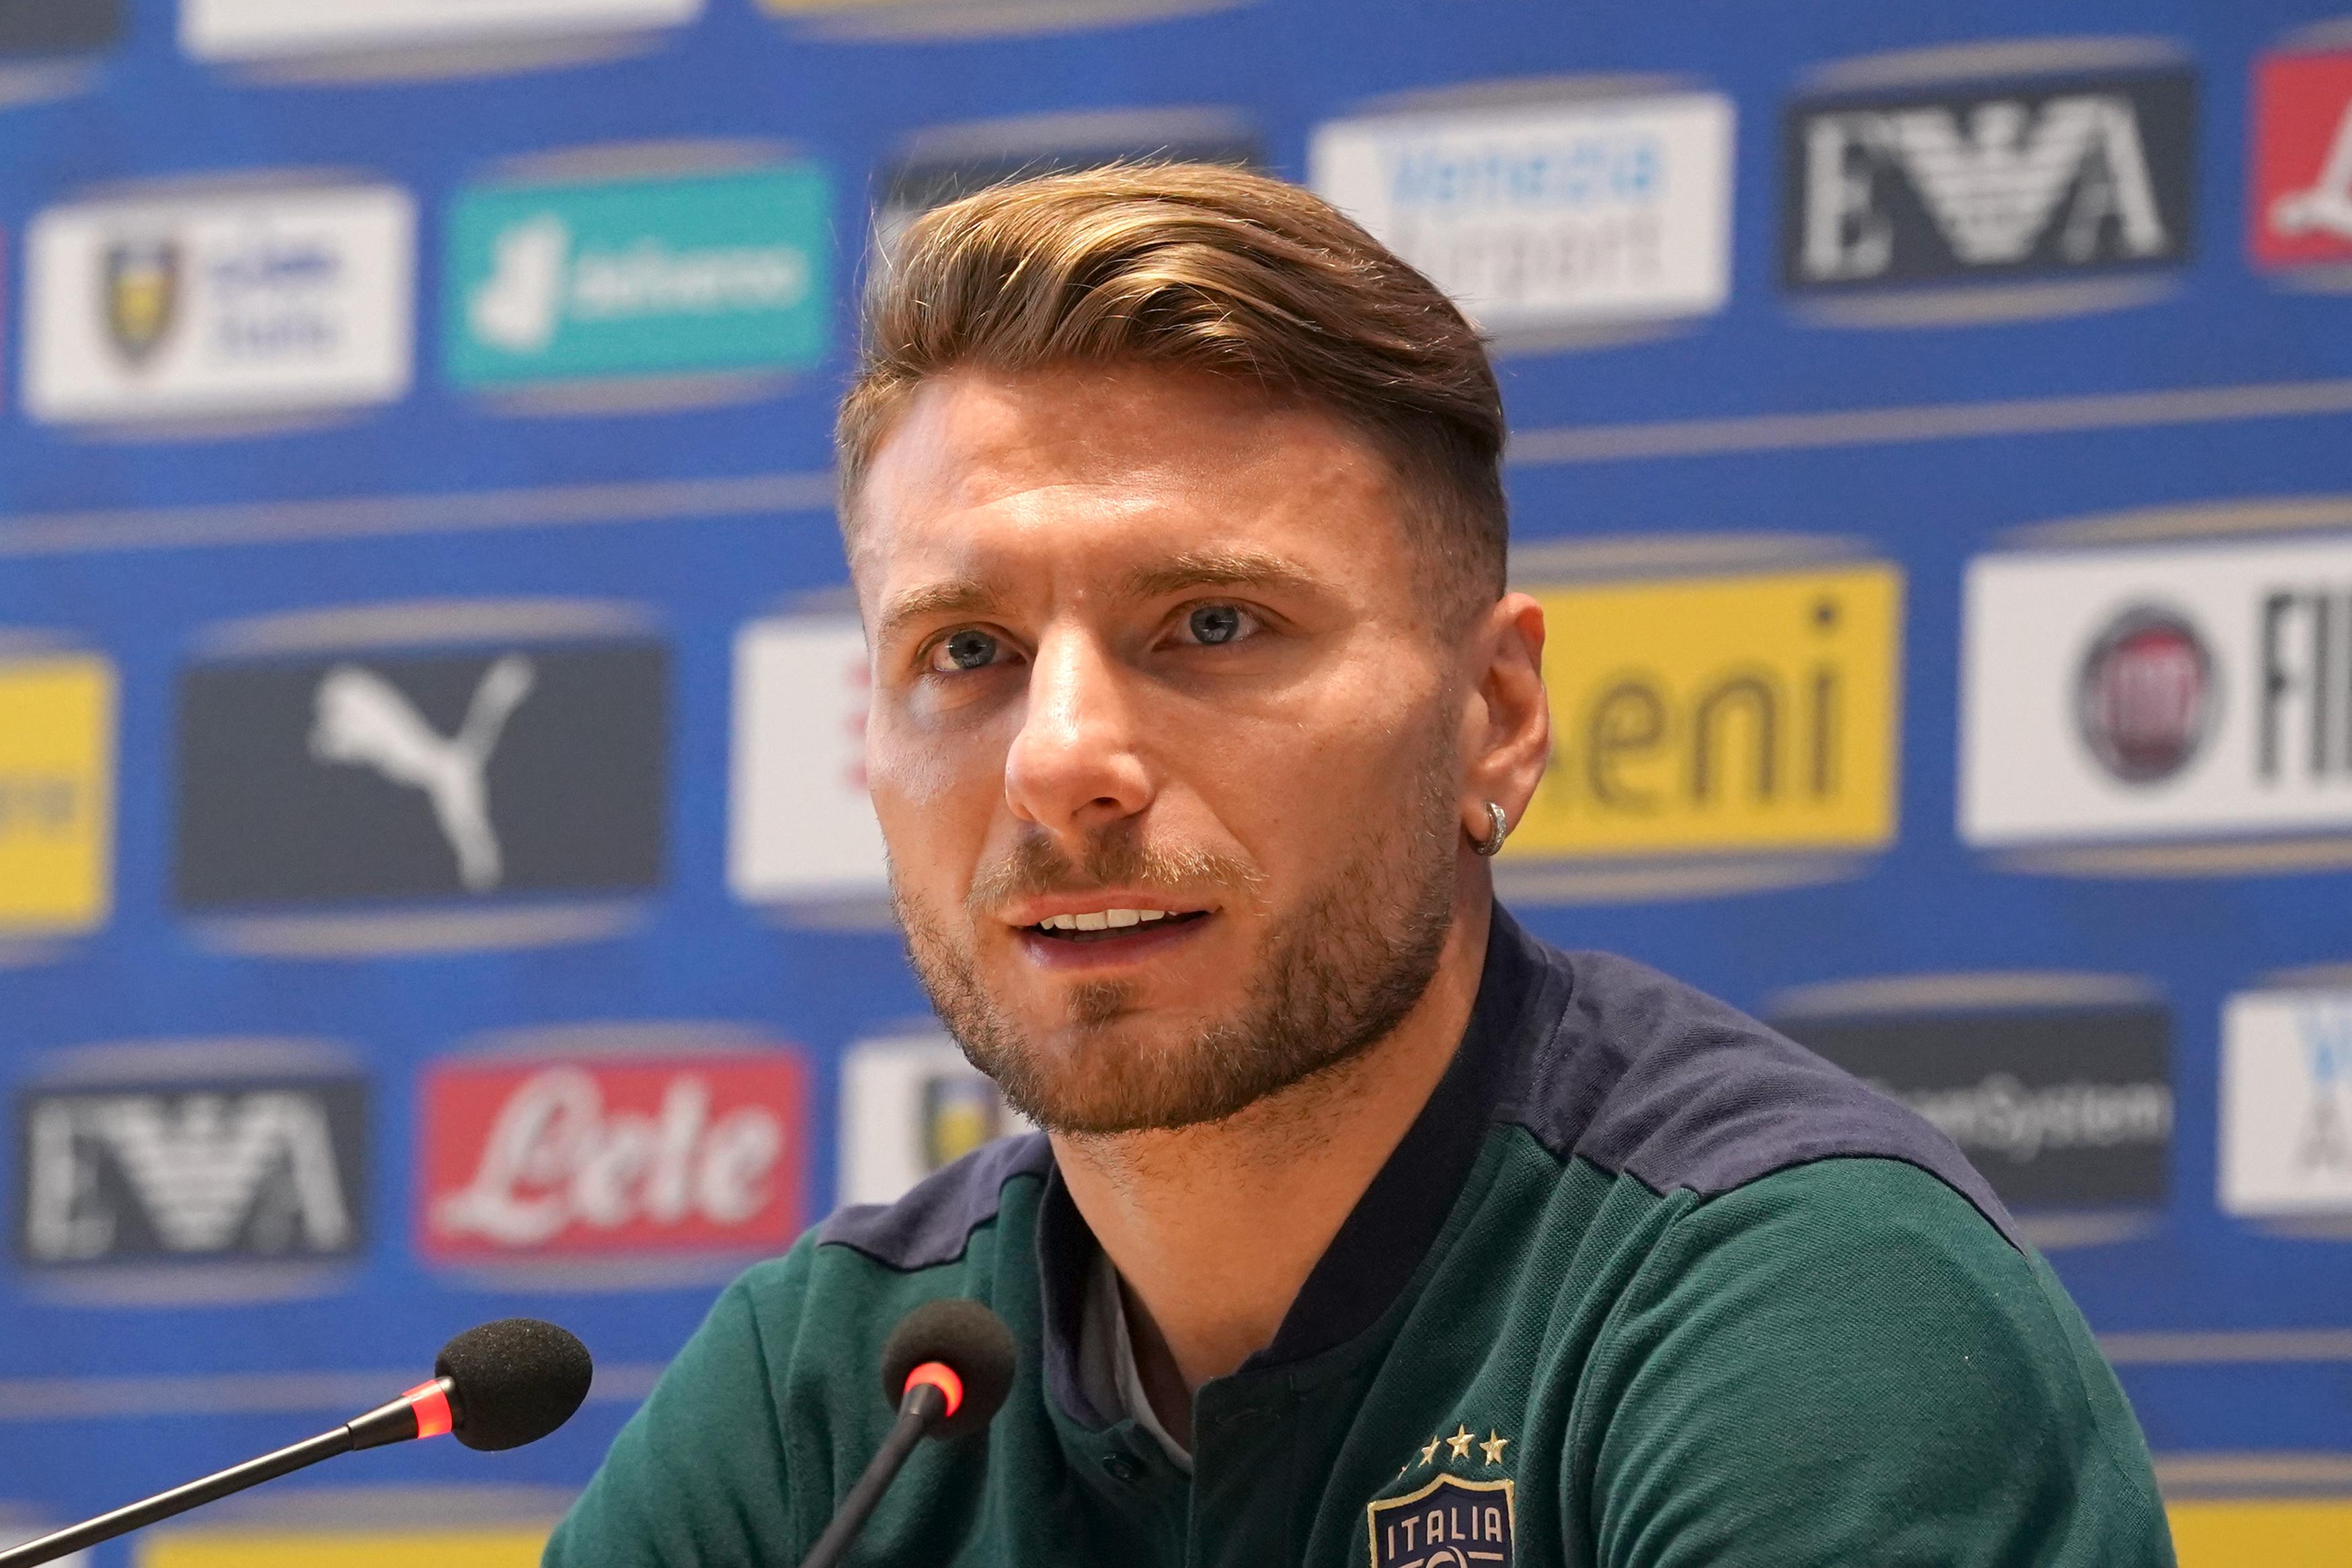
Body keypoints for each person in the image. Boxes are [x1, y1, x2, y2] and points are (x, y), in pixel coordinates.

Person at [545, 163, 2176, 1567]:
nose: (1060, 756)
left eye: (1211, 624)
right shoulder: (839, 1390)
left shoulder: (1804, 1306)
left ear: (1495, 716)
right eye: (967, 647)